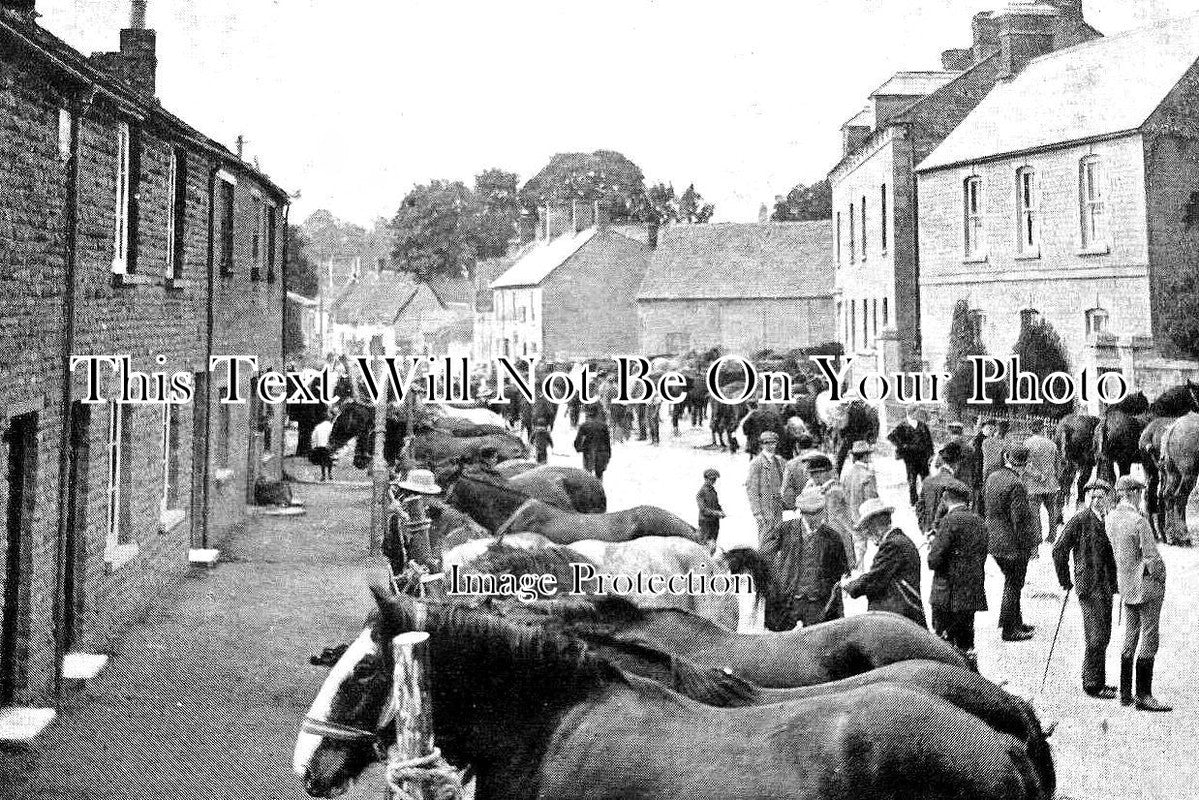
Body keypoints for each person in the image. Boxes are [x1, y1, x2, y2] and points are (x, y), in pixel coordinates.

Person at [1106, 475, 1172, 712]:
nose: (1141, 496)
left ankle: (1125, 693)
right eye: (1140, 492)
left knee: (1130, 634)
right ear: (1133, 493)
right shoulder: (1139, 521)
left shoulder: (1110, 518)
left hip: (1126, 585)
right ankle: (1144, 695)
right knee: (1150, 636)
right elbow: (1152, 558)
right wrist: (1162, 577)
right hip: (1146, 585)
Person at [1052, 478, 1119, 699]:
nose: (1097, 500)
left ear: (1108, 498)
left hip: (1105, 585)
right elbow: (1059, 549)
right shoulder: (1080, 519)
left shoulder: (1108, 520)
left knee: (1104, 634)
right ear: (1087, 498)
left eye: (1101, 496)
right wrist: (1065, 580)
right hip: (1089, 586)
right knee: (1095, 635)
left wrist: (1116, 584)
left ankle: (1097, 679)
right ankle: (1092, 684)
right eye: (1093, 496)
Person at [763, 487, 851, 630]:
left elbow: (840, 575)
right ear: (801, 512)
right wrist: (776, 580)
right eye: (809, 514)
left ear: (823, 511)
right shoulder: (785, 529)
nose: (814, 518)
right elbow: (765, 554)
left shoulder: (833, 537)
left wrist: (836, 608)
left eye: (818, 513)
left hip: (818, 603)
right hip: (790, 600)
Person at [927, 479, 988, 668]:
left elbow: (933, 561)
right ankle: (970, 676)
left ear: (945, 498)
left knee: (944, 646)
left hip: (947, 594)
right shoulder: (979, 521)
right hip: (970, 592)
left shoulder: (948, 522)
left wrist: (933, 543)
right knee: (966, 642)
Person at [843, 498, 927, 627]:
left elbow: (874, 578)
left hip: (898, 619)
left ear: (876, 525)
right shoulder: (899, 540)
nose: (866, 533)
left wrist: (849, 586)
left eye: (867, 528)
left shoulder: (892, 545)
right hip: (902, 616)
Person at [985, 444, 1038, 642]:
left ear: (1007, 458)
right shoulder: (1017, 484)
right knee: (1014, 583)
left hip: (993, 540)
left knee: (1012, 581)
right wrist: (1030, 545)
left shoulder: (992, 477)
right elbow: (1020, 520)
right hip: (1012, 544)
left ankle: (1016, 621)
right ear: (1025, 463)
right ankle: (1009, 629)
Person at [385, 468, 443, 583]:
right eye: (429, 495)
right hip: (411, 570)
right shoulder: (412, 513)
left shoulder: (403, 509)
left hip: (403, 565)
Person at [802, 453, 857, 570]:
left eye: (815, 474)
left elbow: (841, 518)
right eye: (812, 475)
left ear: (824, 473)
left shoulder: (834, 490)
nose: (813, 478)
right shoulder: (812, 488)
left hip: (835, 539)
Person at [1023, 417, 1063, 544]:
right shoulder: (1052, 445)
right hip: (1050, 484)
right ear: (1042, 429)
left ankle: (1038, 537)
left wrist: (1037, 475)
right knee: (1052, 510)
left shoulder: (1026, 444)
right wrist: (1055, 479)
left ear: (1031, 430)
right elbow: (1058, 466)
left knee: (1034, 513)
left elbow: (1025, 465)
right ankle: (1052, 536)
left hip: (1033, 485)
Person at [841, 441, 879, 566]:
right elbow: (871, 500)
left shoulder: (847, 474)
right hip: (864, 518)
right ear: (865, 456)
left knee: (856, 549)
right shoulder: (868, 475)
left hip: (850, 518)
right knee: (864, 551)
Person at [887, 408, 934, 507]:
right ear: (911, 413)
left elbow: (929, 442)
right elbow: (891, 436)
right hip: (910, 459)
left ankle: (926, 500)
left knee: (926, 479)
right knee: (912, 481)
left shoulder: (922, 425)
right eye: (916, 412)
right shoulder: (903, 425)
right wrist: (902, 446)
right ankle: (914, 502)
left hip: (923, 458)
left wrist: (931, 455)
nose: (917, 414)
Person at [746, 430, 786, 541]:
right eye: (767, 443)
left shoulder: (780, 461)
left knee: (778, 537)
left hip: (778, 505)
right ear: (762, 445)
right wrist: (757, 512)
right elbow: (752, 490)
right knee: (765, 538)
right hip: (765, 507)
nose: (771, 446)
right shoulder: (757, 463)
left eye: (773, 443)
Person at [915, 441, 964, 534]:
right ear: (957, 463)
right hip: (946, 534)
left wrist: (924, 527)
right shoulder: (957, 485)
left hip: (927, 532)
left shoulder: (927, 481)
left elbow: (919, 506)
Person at [781, 433, 820, 511]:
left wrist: (794, 507)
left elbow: (785, 491)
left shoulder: (791, 465)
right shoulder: (825, 459)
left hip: (803, 508)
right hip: (822, 506)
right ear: (812, 445)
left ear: (797, 446)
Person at [573, 408, 612, 481]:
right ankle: (599, 486)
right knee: (599, 473)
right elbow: (607, 441)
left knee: (587, 473)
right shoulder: (603, 426)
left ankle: (589, 487)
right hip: (601, 451)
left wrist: (578, 448)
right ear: (597, 414)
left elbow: (578, 440)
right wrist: (609, 454)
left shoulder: (584, 426)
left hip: (588, 451)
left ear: (588, 414)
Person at [696, 468, 725, 551]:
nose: (713, 481)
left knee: (713, 545)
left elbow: (716, 504)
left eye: (714, 479)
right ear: (706, 479)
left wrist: (721, 511)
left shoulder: (713, 491)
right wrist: (717, 513)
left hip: (714, 522)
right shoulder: (701, 492)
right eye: (711, 479)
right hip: (706, 523)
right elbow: (703, 510)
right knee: (704, 545)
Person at [971, 418, 996, 514]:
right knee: (978, 496)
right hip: (979, 472)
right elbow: (977, 458)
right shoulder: (979, 440)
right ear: (983, 428)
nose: (991, 431)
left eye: (992, 429)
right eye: (989, 429)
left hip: (983, 470)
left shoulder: (986, 439)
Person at [309, 417, 335, 481]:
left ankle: (323, 475)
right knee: (329, 460)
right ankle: (329, 473)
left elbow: (313, 436)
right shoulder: (331, 426)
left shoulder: (318, 427)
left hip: (319, 445)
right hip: (327, 445)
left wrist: (314, 446)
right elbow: (333, 436)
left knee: (322, 461)